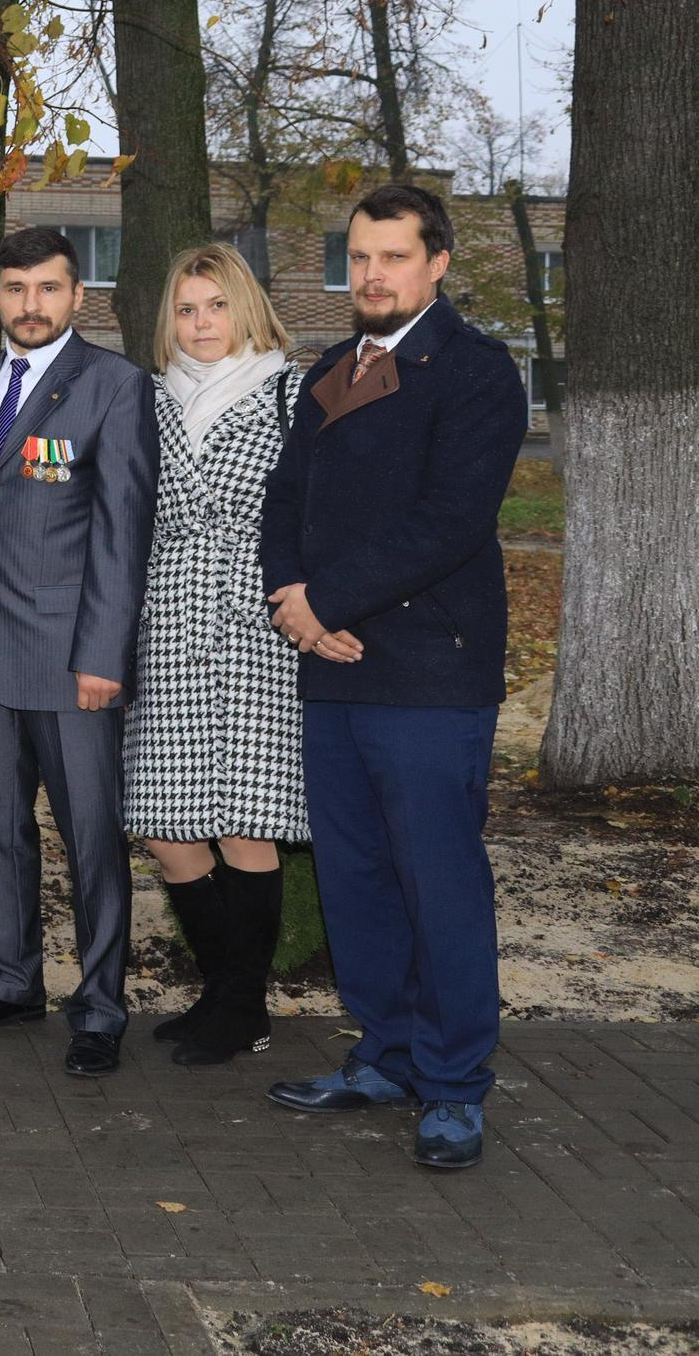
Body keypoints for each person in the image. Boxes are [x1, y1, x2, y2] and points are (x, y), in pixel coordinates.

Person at [259, 183, 525, 1171]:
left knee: (438, 884)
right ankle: (386, 1054)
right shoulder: (333, 368)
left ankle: (453, 1085)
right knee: (357, 879)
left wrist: (327, 603)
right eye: (360, 257)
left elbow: (448, 522)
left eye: (393, 257)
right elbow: (285, 496)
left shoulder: (476, 371)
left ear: (437, 264)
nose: (371, 275)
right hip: (332, 670)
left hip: (429, 673)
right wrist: (292, 597)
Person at [0, 227, 156, 1078]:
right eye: (15, 288)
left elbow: (121, 534)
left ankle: (100, 1008)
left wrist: (104, 655)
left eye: (48, 288)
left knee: (90, 836)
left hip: (69, 658)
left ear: (76, 295)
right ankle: (9, 980)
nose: (31, 304)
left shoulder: (115, 385)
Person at [123, 243, 305, 1067]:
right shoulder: (147, 398)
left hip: (258, 624)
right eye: (186, 308)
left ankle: (241, 1006)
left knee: (244, 821)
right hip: (168, 619)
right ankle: (224, 990)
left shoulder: (290, 393)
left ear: (246, 308)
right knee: (167, 826)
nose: (201, 323)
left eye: (217, 305)